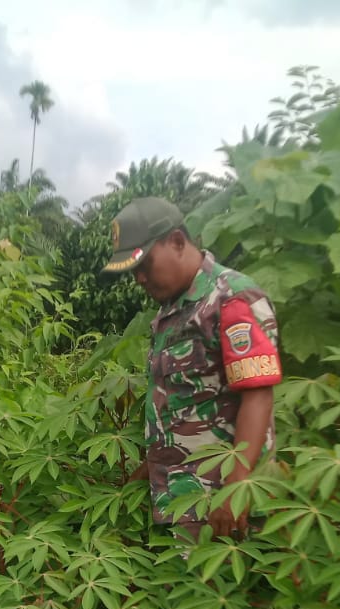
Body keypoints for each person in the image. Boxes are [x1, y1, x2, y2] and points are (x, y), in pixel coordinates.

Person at [101, 196, 283, 554]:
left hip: (220, 499)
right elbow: (182, 400)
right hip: (180, 494)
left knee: (225, 598)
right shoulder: (173, 310)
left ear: (178, 242)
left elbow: (258, 393)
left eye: (144, 265)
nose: (139, 278)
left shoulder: (231, 298)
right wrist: (149, 465)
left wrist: (237, 484)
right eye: (132, 271)